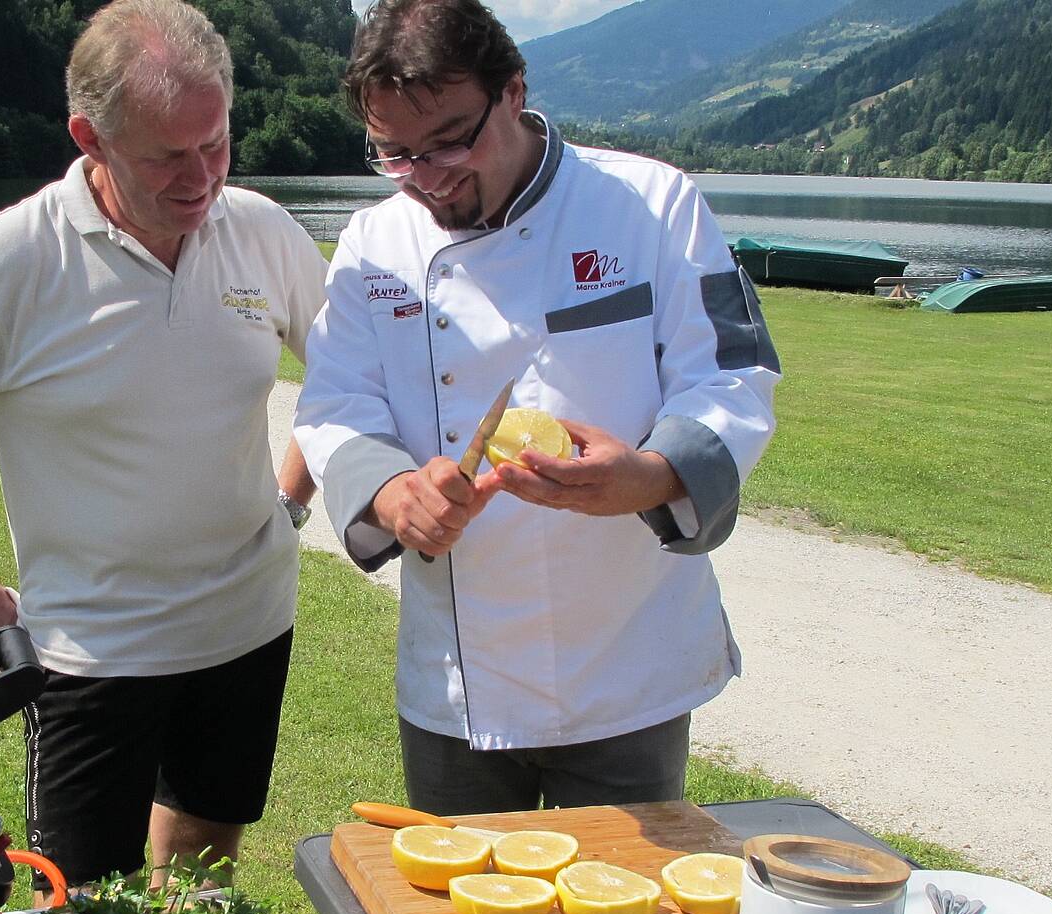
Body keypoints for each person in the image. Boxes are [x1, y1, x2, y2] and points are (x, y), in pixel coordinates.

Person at [0, 0, 325, 887]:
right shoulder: (5, 262)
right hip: (93, 651)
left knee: (204, 872)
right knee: (80, 903)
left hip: (248, 626)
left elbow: (350, 371)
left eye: (217, 143)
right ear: (90, 137)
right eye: (169, 155)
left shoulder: (261, 230)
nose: (202, 177)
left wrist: (290, 501)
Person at [293, 0, 780, 816]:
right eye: (396, 154)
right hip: (458, 676)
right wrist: (389, 493)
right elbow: (336, 399)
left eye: (451, 138)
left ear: (514, 90)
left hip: (629, 660)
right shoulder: (375, 243)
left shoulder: (648, 204)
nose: (429, 175)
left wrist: (654, 475)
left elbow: (732, 374)